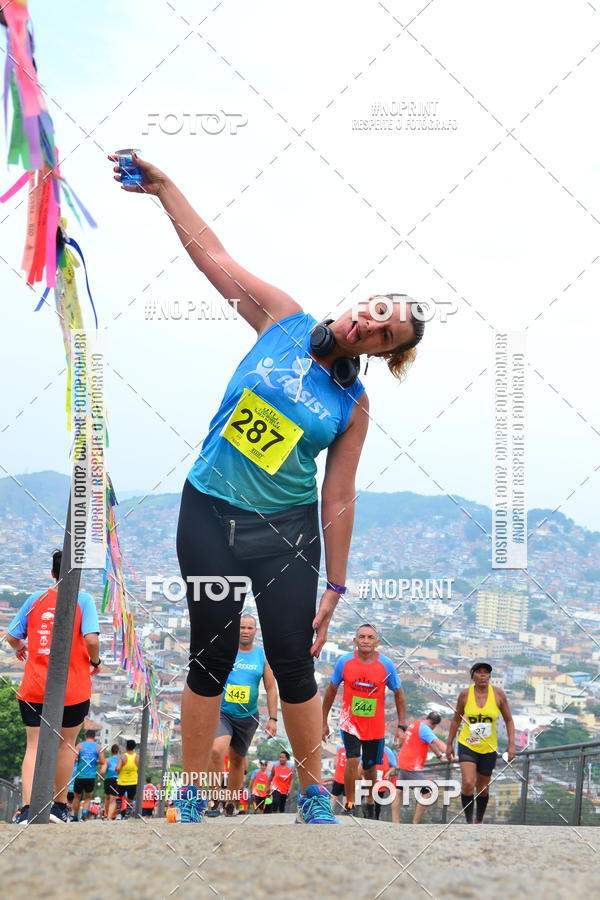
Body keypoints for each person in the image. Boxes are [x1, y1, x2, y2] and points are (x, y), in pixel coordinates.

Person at [109, 152, 425, 825]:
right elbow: (212, 258)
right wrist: (167, 187)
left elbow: (338, 495)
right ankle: (192, 789)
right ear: (362, 299)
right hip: (211, 512)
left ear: (381, 350)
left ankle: (313, 793)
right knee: (212, 652)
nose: (371, 325)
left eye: (386, 333)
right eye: (376, 310)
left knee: (291, 658)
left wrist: (335, 587)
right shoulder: (281, 320)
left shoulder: (354, 402)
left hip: (286, 530)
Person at [6, 549, 102, 825]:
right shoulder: (83, 599)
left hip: (36, 686)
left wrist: (22, 648)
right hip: (73, 687)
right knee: (66, 745)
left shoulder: (35, 599)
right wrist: (94, 660)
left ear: (53, 573)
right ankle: (58, 807)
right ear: (78, 575)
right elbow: (92, 640)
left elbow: (12, 636)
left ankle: (26, 809)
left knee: (33, 745)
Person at [322, 624, 407, 817]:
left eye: (370, 637)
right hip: (350, 722)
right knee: (352, 760)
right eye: (362, 637)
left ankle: (369, 799)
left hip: (375, 725)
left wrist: (402, 725)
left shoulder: (386, 664)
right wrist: (324, 722)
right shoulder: (344, 661)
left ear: (377, 642)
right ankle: (350, 803)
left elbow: (399, 693)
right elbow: (331, 690)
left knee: (370, 766)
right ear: (355, 640)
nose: (366, 641)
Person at [208, 614, 278, 817]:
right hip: (224, 712)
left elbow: (271, 687)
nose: (246, 631)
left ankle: (231, 802)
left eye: (250, 628)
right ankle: (214, 798)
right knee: (216, 751)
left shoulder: (262, 656)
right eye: (242, 627)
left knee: (238, 760)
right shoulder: (227, 651)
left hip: (248, 716)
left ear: (255, 631)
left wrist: (272, 718)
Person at [446, 662, 516, 824]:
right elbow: (456, 720)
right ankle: (469, 821)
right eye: (479, 672)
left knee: (483, 788)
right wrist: (449, 744)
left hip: (488, 747)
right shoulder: (465, 695)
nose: (483, 675)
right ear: (473, 676)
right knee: (468, 782)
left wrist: (511, 745)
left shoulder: (498, 694)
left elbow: (509, 720)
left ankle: (479, 820)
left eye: (486, 673)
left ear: (490, 677)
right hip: (467, 743)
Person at [396, 712, 446, 824]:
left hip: (403, 761)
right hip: (412, 766)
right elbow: (437, 742)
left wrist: (439, 756)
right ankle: (415, 823)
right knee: (428, 791)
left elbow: (430, 743)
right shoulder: (426, 729)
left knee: (398, 791)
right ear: (435, 725)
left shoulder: (415, 724)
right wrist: (450, 754)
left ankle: (395, 822)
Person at [73, 729, 105, 821]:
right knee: (87, 797)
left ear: (85, 736)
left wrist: (80, 761)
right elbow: (102, 761)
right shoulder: (98, 747)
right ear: (94, 737)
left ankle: (75, 816)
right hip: (91, 776)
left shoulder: (79, 746)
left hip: (79, 775)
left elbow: (73, 759)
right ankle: (84, 814)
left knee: (77, 797)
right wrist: (95, 762)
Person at [116, 739, 139, 818]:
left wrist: (119, 773)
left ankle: (119, 814)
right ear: (134, 747)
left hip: (122, 781)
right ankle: (127, 815)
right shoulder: (137, 757)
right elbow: (140, 768)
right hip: (133, 782)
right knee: (130, 799)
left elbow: (118, 768)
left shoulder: (123, 757)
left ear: (126, 747)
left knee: (119, 797)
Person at [101, 743, 121, 820]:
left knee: (107, 798)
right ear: (118, 751)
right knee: (113, 800)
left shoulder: (107, 760)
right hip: (116, 780)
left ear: (111, 751)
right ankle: (109, 817)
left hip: (107, 780)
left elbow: (102, 771)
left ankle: (106, 814)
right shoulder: (120, 760)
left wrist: (102, 776)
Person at [330, 743, 347, 810]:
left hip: (338, 777)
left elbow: (335, 763)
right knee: (346, 796)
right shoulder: (354, 750)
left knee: (334, 795)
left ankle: (329, 810)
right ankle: (345, 811)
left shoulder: (339, 748)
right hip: (348, 779)